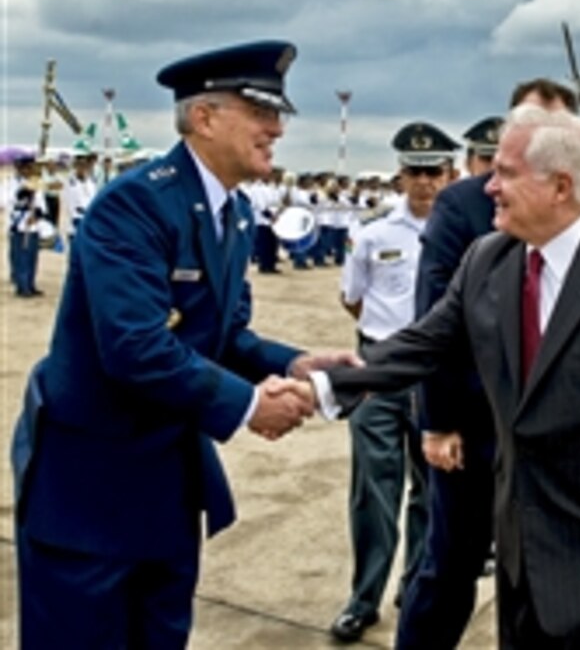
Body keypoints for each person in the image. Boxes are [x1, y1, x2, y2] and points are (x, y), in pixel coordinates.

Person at [310, 103, 580, 648]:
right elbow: (424, 343)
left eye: (505, 173)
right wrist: (321, 386)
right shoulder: (490, 259)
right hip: (518, 551)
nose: (487, 188)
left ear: (560, 186)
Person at [10, 40, 358, 649]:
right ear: (204, 118)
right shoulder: (136, 204)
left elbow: (223, 336)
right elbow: (135, 346)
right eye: (260, 113)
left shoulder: (236, 214)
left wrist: (293, 362)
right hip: (92, 496)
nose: (277, 128)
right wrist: (251, 407)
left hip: (167, 491)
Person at [396, 80, 580, 650]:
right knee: (450, 569)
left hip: (555, 434)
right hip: (474, 427)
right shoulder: (466, 203)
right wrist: (438, 420)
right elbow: (435, 321)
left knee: (539, 578)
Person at [329, 121, 455, 643]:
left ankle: (415, 586)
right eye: (413, 172)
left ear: (448, 175)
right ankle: (364, 598)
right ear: (399, 175)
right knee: (373, 491)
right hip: (378, 373)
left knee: (430, 490)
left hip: (435, 374)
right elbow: (352, 297)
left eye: (433, 172)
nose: (423, 182)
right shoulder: (374, 232)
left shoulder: (462, 233)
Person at [63, 152, 98, 241]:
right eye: (79, 165)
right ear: (76, 166)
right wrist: (76, 217)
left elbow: (93, 200)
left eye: (84, 165)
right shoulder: (71, 182)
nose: (82, 168)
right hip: (75, 222)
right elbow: (70, 204)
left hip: (90, 222)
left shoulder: (91, 182)